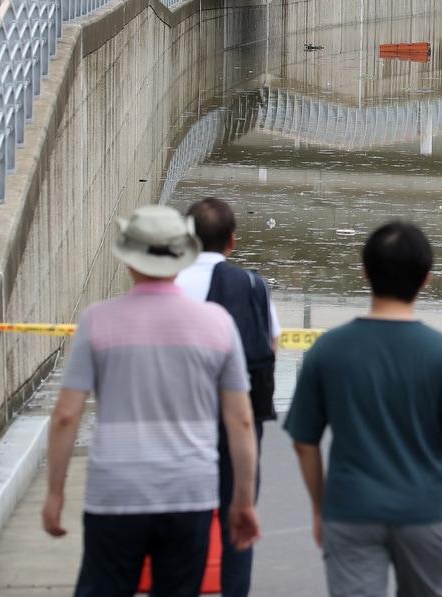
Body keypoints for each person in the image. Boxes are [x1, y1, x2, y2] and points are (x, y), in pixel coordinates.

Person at [42, 205, 261, 597]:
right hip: (190, 491)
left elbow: (66, 415)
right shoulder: (216, 323)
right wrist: (243, 500)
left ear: (127, 258)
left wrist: (55, 492)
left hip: (115, 491)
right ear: (183, 257)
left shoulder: (98, 321)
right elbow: (241, 421)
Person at [286, 221, 442, 597]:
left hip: (350, 510)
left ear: (365, 272)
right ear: (426, 279)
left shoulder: (328, 350)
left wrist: (322, 508)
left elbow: (305, 442)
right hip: (422, 512)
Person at [179, 197, 279, 597]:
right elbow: (271, 343)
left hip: (183, 417)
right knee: (238, 514)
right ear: (232, 241)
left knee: (186, 516)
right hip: (242, 417)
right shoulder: (253, 285)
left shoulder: (170, 285)